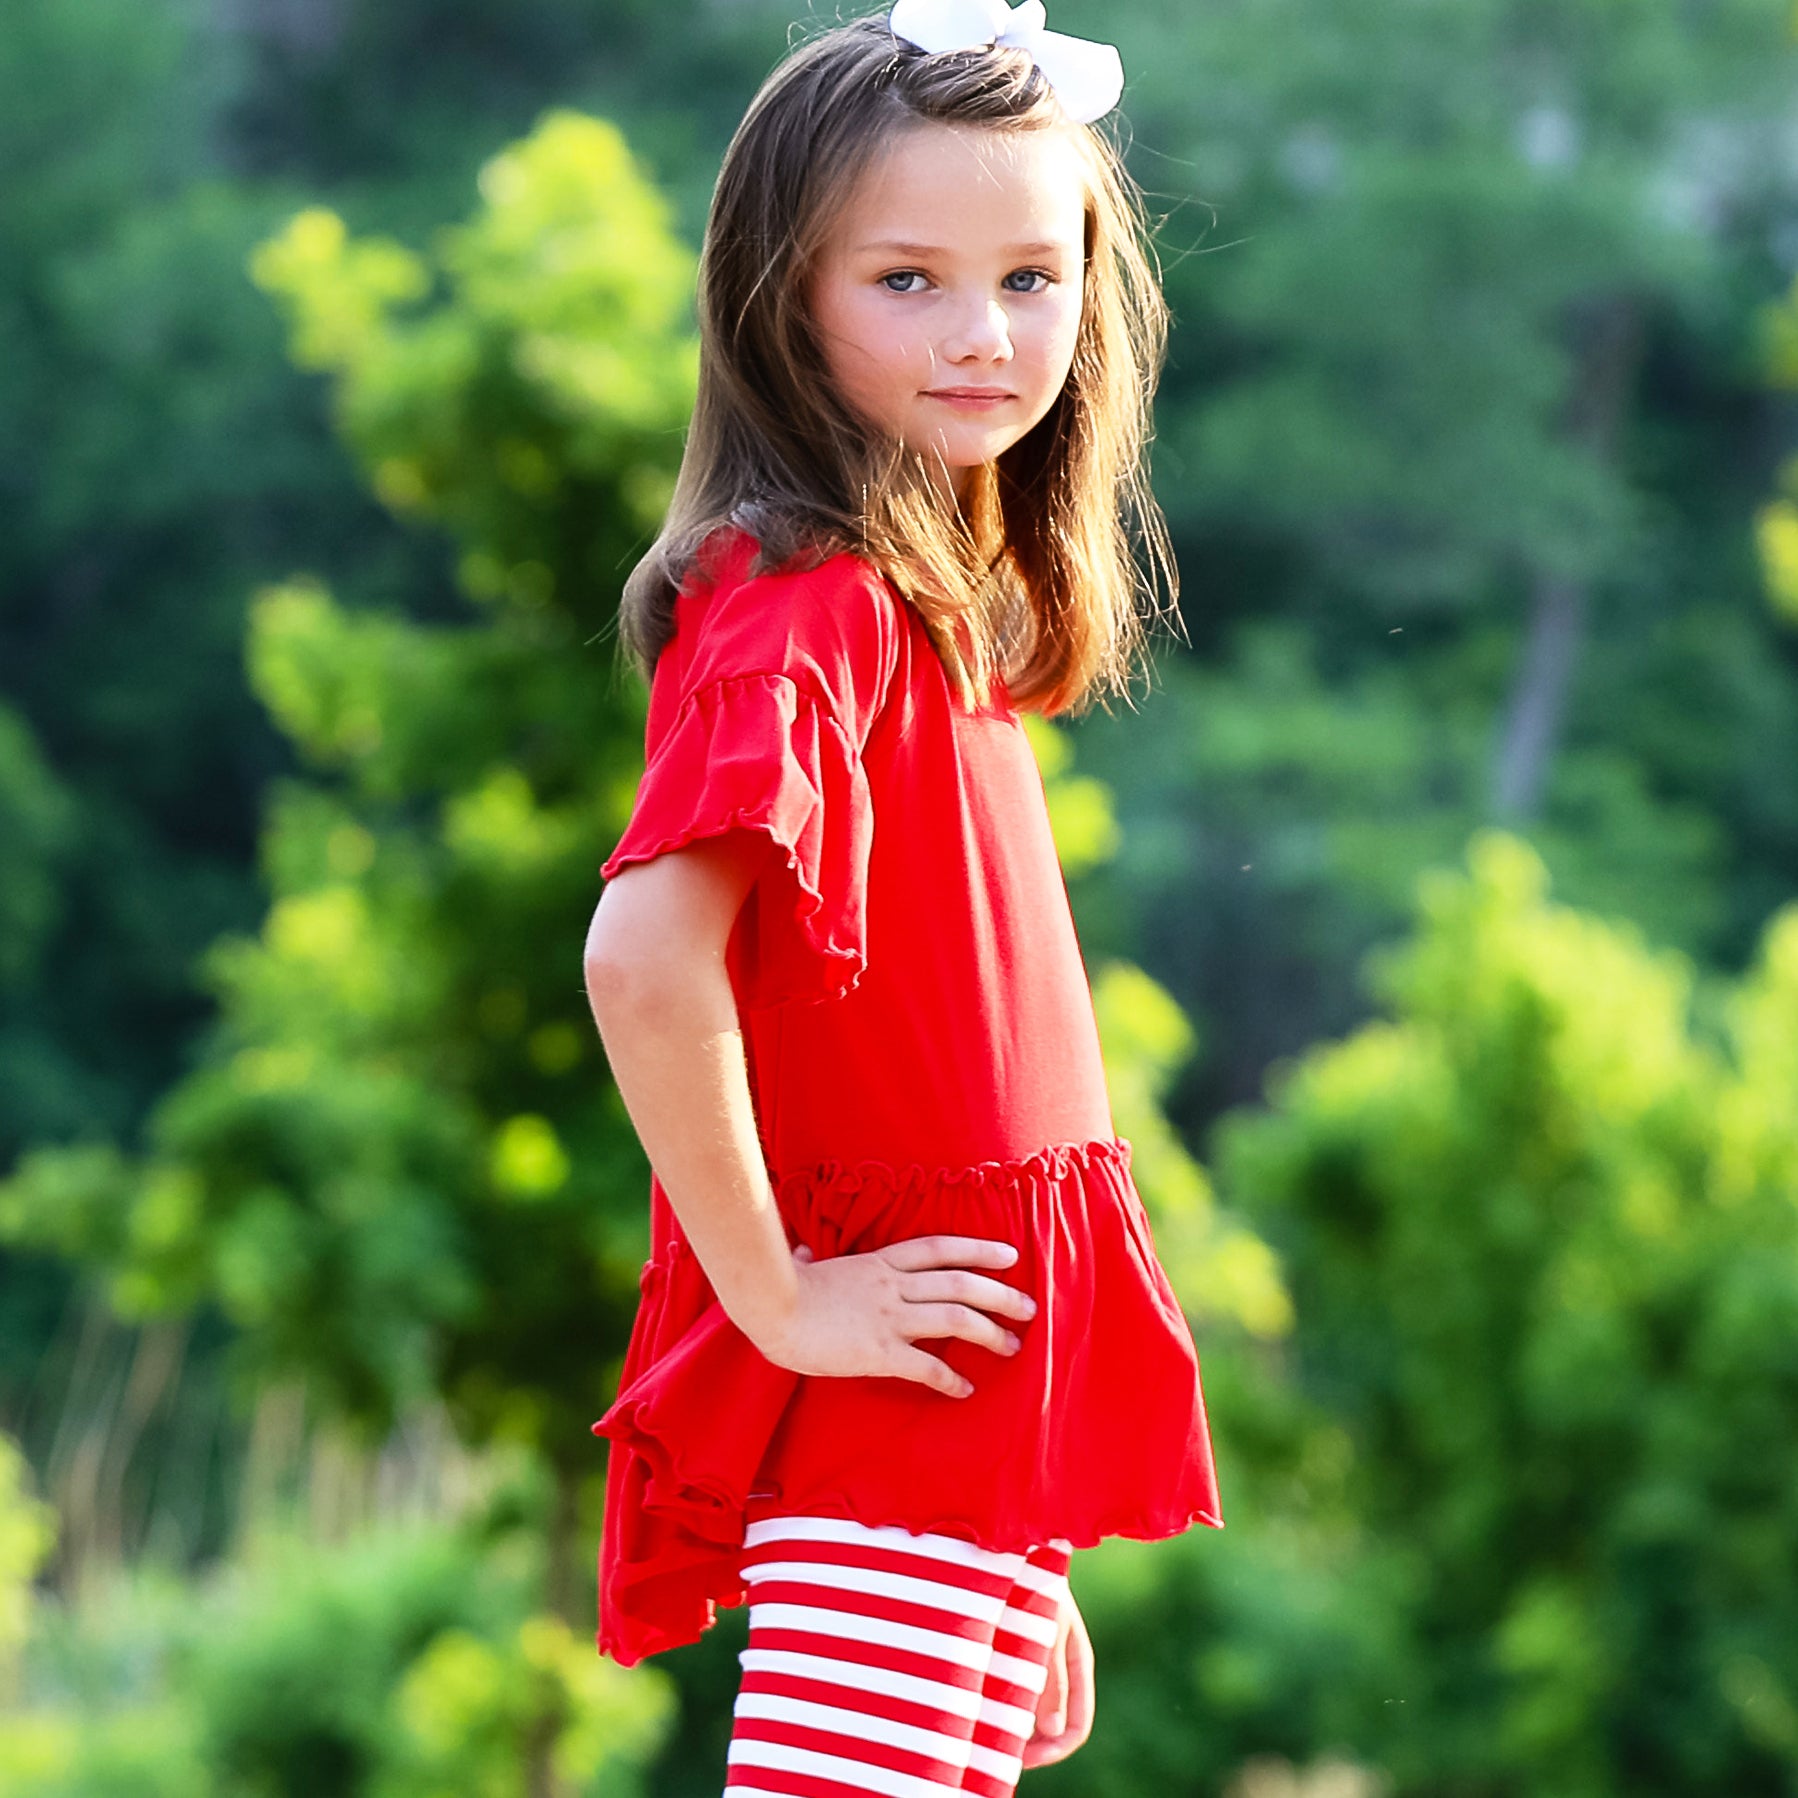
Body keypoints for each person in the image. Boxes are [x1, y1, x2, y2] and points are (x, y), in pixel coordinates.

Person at [582, 0, 1224, 1788]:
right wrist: (784, 1299)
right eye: (907, 280)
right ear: (784, 298)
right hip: (887, 1391)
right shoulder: (808, 606)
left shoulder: (918, 601)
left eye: (1031, 277)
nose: (983, 334)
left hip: (957, 1419)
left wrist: (1016, 1522)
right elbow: (643, 961)